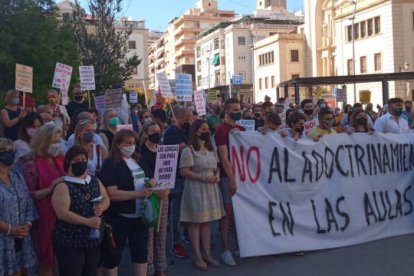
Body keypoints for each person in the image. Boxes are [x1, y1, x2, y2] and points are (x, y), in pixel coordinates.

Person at [99, 129, 154, 276]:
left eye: (134, 143)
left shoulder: (139, 159)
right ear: (118, 144)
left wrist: (153, 184)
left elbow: (149, 177)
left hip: (140, 216)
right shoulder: (111, 164)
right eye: (128, 143)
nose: (132, 146)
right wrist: (138, 194)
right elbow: (112, 193)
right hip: (119, 218)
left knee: (140, 254)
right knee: (113, 256)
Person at [52, 146, 110, 276]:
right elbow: (62, 213)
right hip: (71, 242)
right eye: (77, 160)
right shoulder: (63, 185)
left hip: (93, 241)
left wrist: (102, 208)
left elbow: (106, 198)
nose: (81, 162)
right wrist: (87, 222)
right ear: (69, 163)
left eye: (83, 159)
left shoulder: (94, 180)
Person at [180, 120, 225, 271]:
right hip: (196, 188)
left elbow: (217, 167)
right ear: (196, 132)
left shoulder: (212, 149)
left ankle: (207, 254)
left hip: (211, 188)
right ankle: (197, 256)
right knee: (196, 223)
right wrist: (201, 177)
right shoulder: (189, 150)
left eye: (207, 129)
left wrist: (217, 175)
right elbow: (184, 171)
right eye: (203, 129)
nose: (206, 131)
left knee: (207, 223)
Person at [21, 124, 66, 276]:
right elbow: (28, 195)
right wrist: (50, 189)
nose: (57, 145)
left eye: (59, 141)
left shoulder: (61, 159)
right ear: (43, 142)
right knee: (46, 259)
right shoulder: (31, 165)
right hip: (43, 218)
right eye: (53, 141)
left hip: (63, 216)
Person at [214, 98, 245, 266]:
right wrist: (232, 179)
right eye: (234, 109)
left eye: (239, 108)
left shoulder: (241, 129)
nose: (237, 111)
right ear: (226, 111)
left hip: (243, 176)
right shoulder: (221, 130)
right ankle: (226, 250)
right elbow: (224, 159)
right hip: (228, 177)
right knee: (226, 214)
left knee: (239, 213)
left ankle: (241, 245)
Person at [0, 138, 37, 276]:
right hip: (3, 239)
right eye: (4, 151)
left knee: (19, 271)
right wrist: (10, 229)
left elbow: (27, 200)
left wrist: (27, 223)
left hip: (20, 237)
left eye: (12, 151)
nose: (9, 154)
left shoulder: (17, 176)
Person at [138, 122, 170, 276]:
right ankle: (149, 268)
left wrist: (167, 189)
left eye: (159, 131)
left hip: (164, 195)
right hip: (149, 196)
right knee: (149, 233)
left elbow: (169, 172)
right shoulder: (140, 152)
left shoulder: (164, 150)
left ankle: (161, 267)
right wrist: (154, 188)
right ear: (146, 133)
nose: (157, 134)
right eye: (153, 132)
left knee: (161, 232)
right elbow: (143, 174)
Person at [162, 107, 191, 258]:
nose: (189, 120)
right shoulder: (172, 132)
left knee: (186, 209)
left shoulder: (185, 130)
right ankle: (175, 242)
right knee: (176, 212)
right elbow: (185, 150)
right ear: (180, 117)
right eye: (188, 117)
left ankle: (186, 235)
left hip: (186, 175)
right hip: (175, 177)